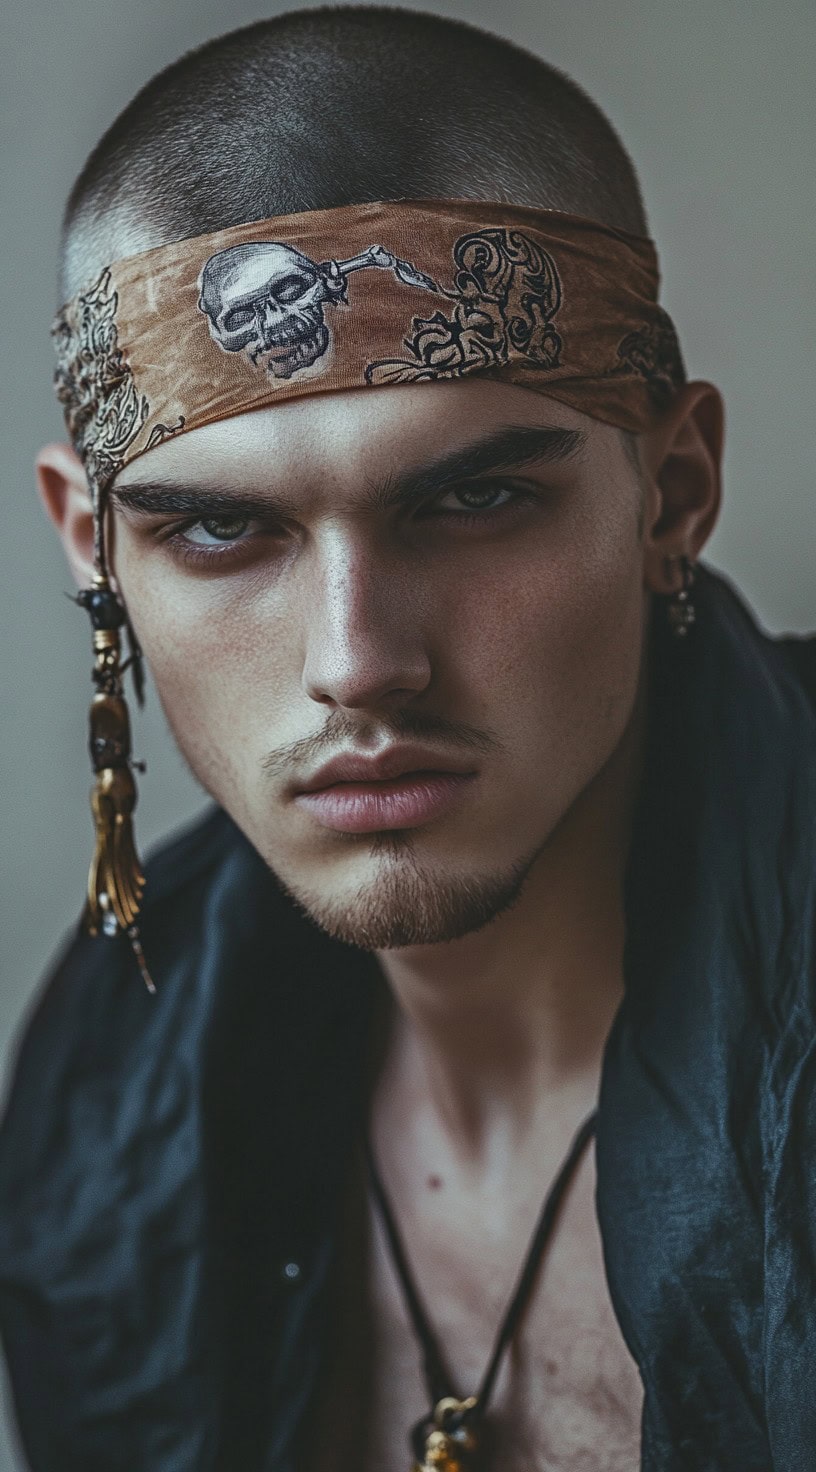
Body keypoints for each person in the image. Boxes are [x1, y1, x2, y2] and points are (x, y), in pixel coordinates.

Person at [0, 7, 814, 1470]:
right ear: (94, 544)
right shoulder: (100, 1109)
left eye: (472, 502)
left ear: (672, 490)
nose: (356, 661)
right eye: (222, 529)